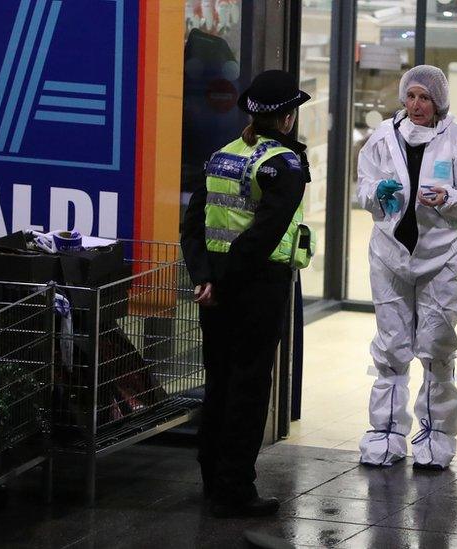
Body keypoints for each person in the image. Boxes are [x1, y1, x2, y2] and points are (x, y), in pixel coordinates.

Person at [181, 70, 313, 518]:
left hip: (215, 287)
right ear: (288, 117)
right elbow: (263, 236)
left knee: (219, 382)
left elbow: (193, 225)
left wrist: (205, 278)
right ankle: (235, 489)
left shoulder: (223, 155)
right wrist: (226, 282)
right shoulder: (284, 165)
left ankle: (211, 478)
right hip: (256, 286)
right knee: (250, 386)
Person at [356, 65, 457, 470]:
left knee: (436, 348)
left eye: (425, 98)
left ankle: (435, 439)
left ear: (439, 103)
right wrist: (376, 193)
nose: (417, 105)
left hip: (443, 256)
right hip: (389, 253)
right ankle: (385, 434)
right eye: (412, 96)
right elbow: (364, 187)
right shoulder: (382, 139)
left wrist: (449, 197)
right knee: (391, 346)